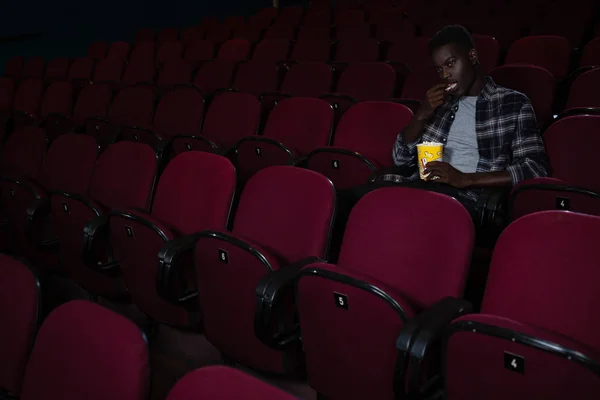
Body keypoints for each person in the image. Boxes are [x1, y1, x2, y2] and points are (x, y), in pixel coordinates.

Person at [389, 25, 549, 216]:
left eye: (450, 64)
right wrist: (421, 115)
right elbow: (400, 159)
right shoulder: (438, 104)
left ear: (472, 57)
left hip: (466, 199)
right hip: (421, 187)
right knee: (357, 197)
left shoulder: (512, 103)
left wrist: (466, 179)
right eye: (440, 69)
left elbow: (535, 167)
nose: (445, 75)